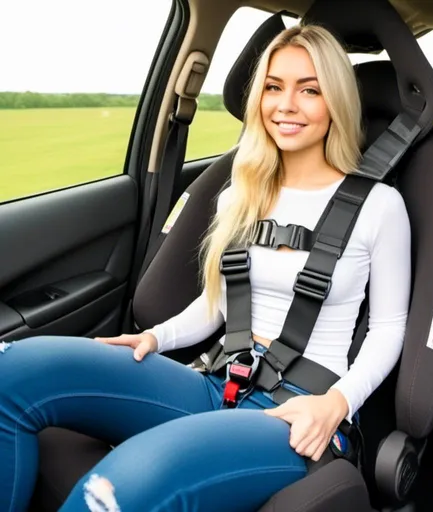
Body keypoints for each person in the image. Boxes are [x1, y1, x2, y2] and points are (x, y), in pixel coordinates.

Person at [0, 24, 410, 512]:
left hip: (298, 410)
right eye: (274, 87)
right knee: (15, 370)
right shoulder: (243, 191)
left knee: (117, 485)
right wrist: (156, 337)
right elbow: (218, 302)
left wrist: (336, 404)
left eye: (310, 90)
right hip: (219, 381)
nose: (286, 105)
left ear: (336, 102)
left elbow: (389, 329)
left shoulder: (379, 206)